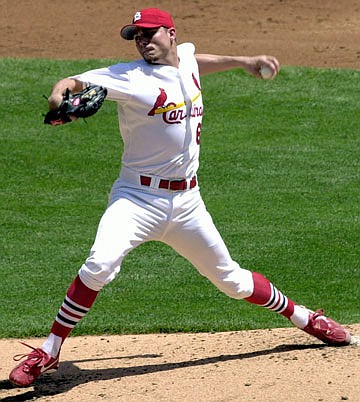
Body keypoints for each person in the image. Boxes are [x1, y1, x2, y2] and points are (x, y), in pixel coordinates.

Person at [9, 7, 351, 387]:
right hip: (137, 198)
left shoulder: (184, 57)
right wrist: (59, 95)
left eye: (149, 33)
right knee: (99, 265)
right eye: (137, 36)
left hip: (188, 203)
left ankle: (305, 317)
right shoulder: (128, 77)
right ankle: (50, 350)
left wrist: (242, 61)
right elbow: (74, 81)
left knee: (232, 282)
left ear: (170, 34)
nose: (143, 41)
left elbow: (194, 60)